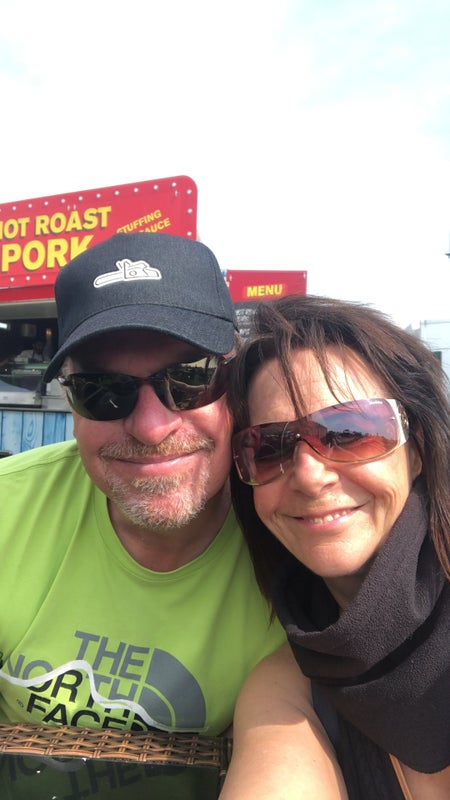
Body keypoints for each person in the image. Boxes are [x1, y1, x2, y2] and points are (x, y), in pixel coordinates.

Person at [0, 232, 285, 739]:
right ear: (70, 403)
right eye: (102, 391)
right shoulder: (8, 508)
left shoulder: (293, 529)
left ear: (237, 382)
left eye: (190, 379)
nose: (152, 430)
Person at [220, 294, 450, 800]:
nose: (309, 475)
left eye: (349, 431)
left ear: (415, 450)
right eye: (270, 447)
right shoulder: (286, 685)